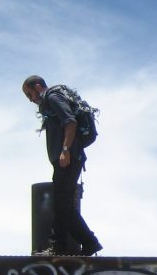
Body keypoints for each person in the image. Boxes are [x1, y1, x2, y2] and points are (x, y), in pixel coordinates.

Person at [22, 75, 103, 256]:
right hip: (68, 159)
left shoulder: (52, 97)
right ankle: (90, 243)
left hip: (68, 159)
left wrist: (65, 150)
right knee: (64, 205)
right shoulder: (51, 101)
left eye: (30, 95)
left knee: (61, 205)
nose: (31, 100)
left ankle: (58, 247)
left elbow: (70, 121)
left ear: (37, 87)